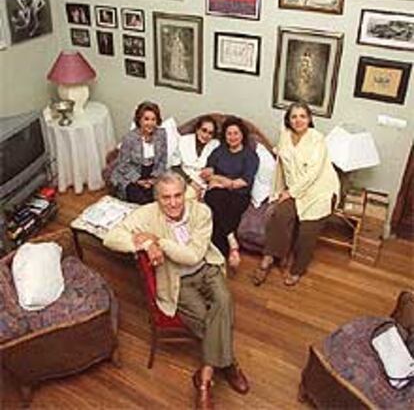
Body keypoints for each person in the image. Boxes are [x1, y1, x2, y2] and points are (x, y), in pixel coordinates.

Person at [103, 172, 249, 409]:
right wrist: (147, 243)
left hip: (205, 268)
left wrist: (158, 241)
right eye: (166, 197)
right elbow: (111, 237)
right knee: (206, 319)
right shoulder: (148, 213)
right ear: (157, 199)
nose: (172, 203)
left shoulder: (202, 212)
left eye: (177, 196)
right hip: (177, 279)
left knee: (224, 300)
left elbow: (193, 256)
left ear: (185, 195)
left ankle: (204, 377)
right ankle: (229, 364)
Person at [253, 102, 340, 287]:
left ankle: (297, 269)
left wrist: (290, 192)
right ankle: (270, 257)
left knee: (307, 232)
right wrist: (279, 191)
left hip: (319, 190)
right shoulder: (285, 135)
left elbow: (313, 173)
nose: (298, 120)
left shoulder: (317, 139)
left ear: (309, 119)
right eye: (294, 116)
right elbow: (283, 159)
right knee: (280, 215)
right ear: (288, 120)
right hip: (296, 189)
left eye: (302, 116)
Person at [201, 117, 259, 271]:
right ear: (224, 136)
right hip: (218, 193)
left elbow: (244, 181)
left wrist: (221, 180)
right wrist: (214, 177)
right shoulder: (219, 151)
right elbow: (207, 172)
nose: (232, 137)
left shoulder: (250, 155)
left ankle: (216, 259)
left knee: (224, 213)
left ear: (242, 135)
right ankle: (232, 244)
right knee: (214, 197)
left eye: (236, 133)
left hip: (239, 194)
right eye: (229, 134)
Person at [110, 101, 168, 203]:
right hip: (132, 175)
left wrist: (154, 179)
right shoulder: (129, 138)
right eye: (146, 119)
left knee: (158, 199)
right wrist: (138, 180)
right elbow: (123, 165)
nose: (150, 123)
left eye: (153, 119)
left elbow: (163, 160)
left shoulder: (161, 135)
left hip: (153, 174)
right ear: (139, 120)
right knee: (140, 199)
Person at [178, 116, 220, 197]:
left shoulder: (216, 144)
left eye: (210, 133)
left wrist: (213, 169)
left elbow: (220, 164)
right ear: (197, 129)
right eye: (204, 130)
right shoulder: (183, 140)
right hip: (183, 180)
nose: (206, 135)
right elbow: (174, 167)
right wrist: (190, 182)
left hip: (203, 184)